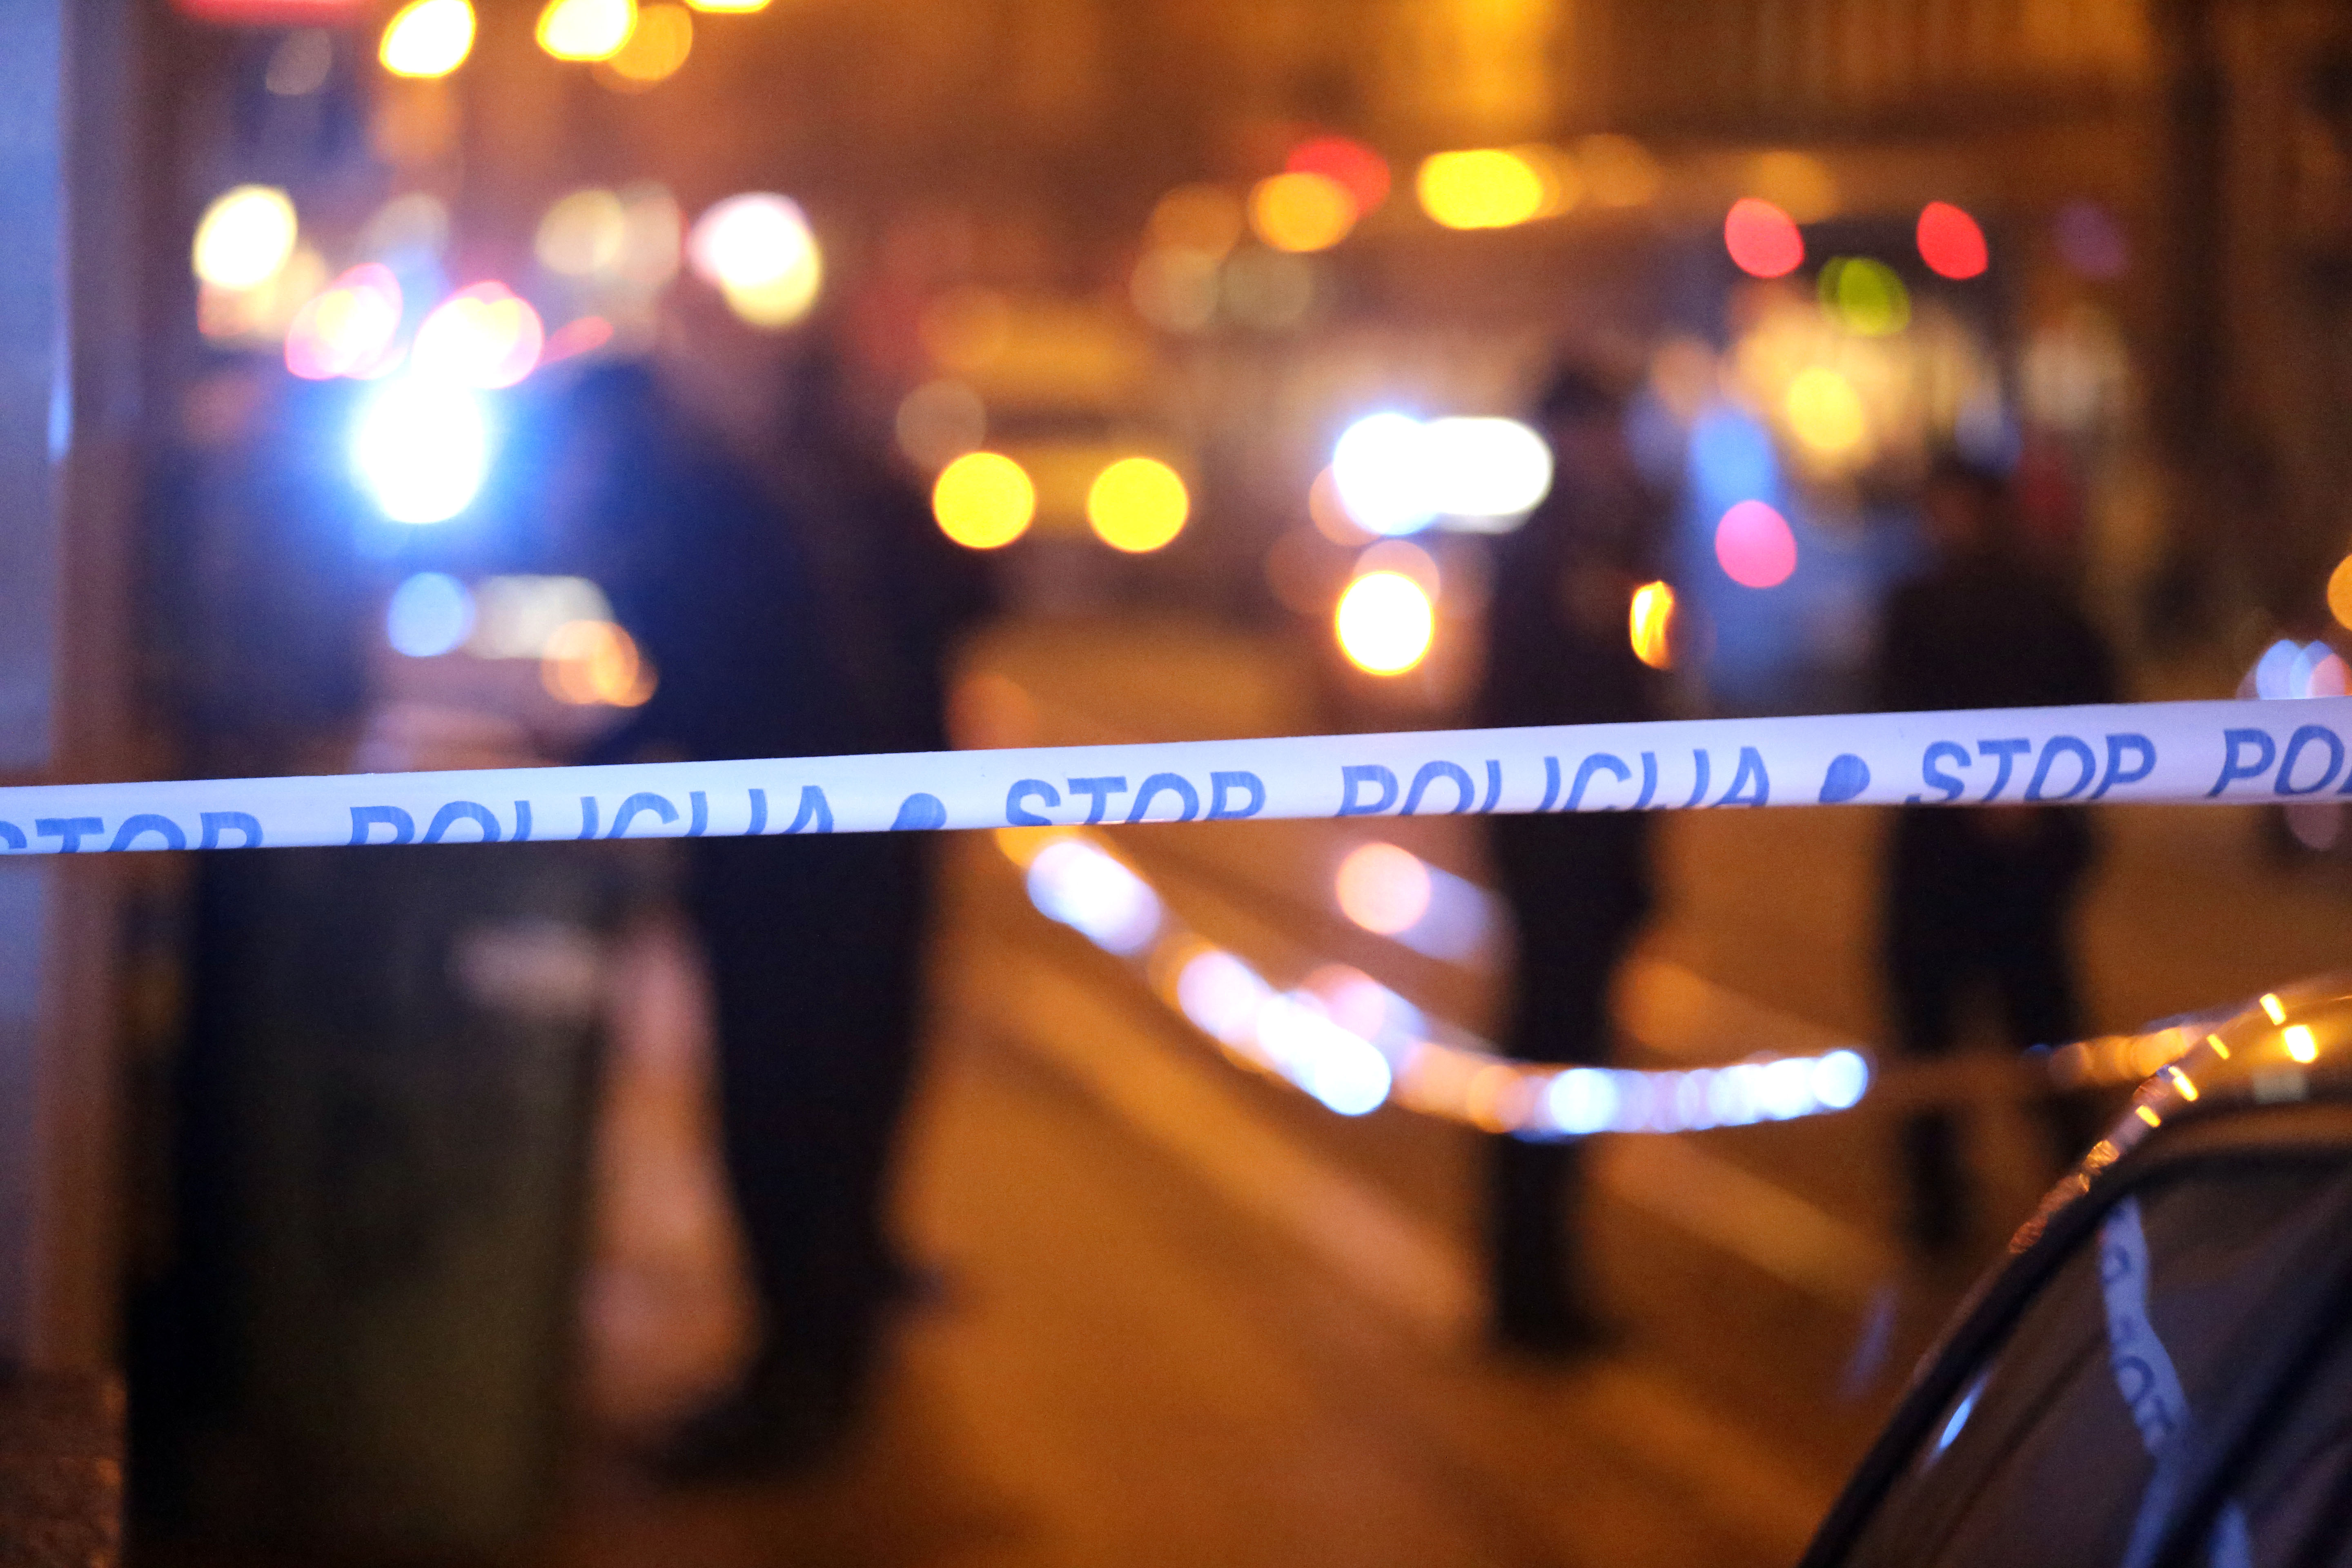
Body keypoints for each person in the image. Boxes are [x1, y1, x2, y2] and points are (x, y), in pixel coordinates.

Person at [551, 349, 979, 1478]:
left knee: (787, 1117)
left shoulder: (698, 513)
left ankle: (801, 1388)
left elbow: (711, 682)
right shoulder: (786, 498)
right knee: (839, 1109)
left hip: (797, 875)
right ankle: (820, 1364)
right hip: (867, 854)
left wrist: (578, 772)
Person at [1874, 455, 2118, 1255]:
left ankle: (2069, 1196)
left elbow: (2096, 703)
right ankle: (1965, 1206)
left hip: (1978, 865)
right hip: (1971, 863)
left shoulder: (2024, 603)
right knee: (1959, 1047)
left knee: (2034, 1042)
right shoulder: (1955, 601)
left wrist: (2027, 798)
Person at [1475, 365, 1665, 1355]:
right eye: (1600, 430)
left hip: (1593, 856)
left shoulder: (1614, 539)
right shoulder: (1547, 550)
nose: (1614, 449)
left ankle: (1544, 1282)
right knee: (1547, 1067)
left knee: (1568, 1068)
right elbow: (1524, 706)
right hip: (1559, 863)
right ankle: (1529, 1293)